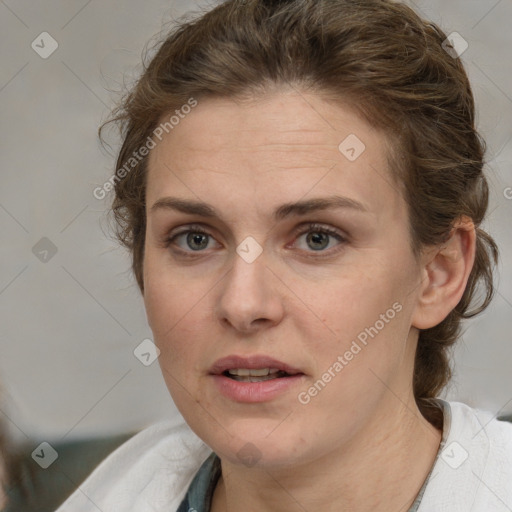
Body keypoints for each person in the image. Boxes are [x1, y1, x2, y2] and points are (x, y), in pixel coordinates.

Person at [58, 0, 512, 510]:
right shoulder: (109, 495)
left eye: (318, 238)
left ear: (438, 273)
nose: (243, 304)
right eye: (195, 238)